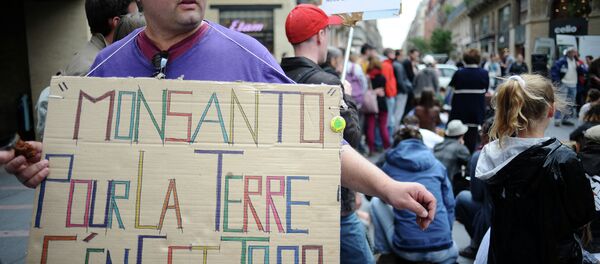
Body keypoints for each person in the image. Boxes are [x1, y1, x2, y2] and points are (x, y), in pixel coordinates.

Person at [3, 0, 437, 250]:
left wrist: (387, 188)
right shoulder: (104, 68)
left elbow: (318, 145)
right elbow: (84, 173)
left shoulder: (249, 57)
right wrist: (44, 169)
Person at [280, 5, 369, 263]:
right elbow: (349, 139)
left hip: (292, 194)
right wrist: (348, 98)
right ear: (321, 35)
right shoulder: (329, 83)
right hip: (332, 201)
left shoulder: (275, 76)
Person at [475, 74, 595, 263]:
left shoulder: (492, 153)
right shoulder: (563, 159)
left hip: (503, 254)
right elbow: (583, 215)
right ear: (551, 110)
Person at [35, 0, 138, 139]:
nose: (140, 24)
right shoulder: (97, 67)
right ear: (116, 22)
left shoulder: (90, 55)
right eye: (134, 17)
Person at [376, 127, 457, 264]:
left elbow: (376, 197)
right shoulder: (437, 165)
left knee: (376, 203)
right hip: (443, 250)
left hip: (407, 250)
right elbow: (450, 204)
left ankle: (384, 253)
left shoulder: (389, 165)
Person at [454, 117, 494, 259]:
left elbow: (476, 195)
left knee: (462, 197)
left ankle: (476, 244)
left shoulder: (480, 155)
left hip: (491, 216)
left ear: (486, 135)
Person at [449, 48, 489, 153]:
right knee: (473, 141)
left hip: (460, 113)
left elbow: (451, 90)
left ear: (465, 59)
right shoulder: (484, 73)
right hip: (476, 114)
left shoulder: (458, 73)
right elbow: (486, 90)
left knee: (459, 139)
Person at [551, 47, 586, 126]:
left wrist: (579, 66)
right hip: (564, 83)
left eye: (574, 52)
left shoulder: (577, 62)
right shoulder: (562, 61)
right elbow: (554, 71)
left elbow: (584, 72)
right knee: (561, 102)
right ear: (568, 53)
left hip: (573, 84)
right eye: (571, 52)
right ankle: (557, 119)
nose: (573, 54)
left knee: (570, 103)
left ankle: (566, 119)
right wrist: (558, 82)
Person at [366, 55, 391, 154]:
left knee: (370, 126)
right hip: (382, 103)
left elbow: (366, 90)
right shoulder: (382, 78)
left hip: (371, 103)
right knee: (383, 126)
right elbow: (383, 90)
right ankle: (387, 147)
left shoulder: (368, 77)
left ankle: (371, 149)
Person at [382, 48, 398, 141]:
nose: (395, 55)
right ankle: (388, 140)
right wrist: (389, 94)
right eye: (393, 53)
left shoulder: (388, 64)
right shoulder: (386, 65)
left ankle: (388, 140)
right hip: (389, 95)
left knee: (390, 119)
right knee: (389, 120)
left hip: (391, 94)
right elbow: (386, 81)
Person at [393, 49, 412, 122]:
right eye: (403, 55)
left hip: (398, 91)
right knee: (398, 114)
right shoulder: (398, 66)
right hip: (401, 92)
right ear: (399, 56)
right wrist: (406, 90)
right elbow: (400, 81)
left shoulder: (396, 64)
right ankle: (395, 132)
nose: (404, 57)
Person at [403, 49, 420, 118]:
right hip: (409, 88)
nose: (416, 56)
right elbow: (411, 76)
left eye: (417, 55)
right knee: (408, 105)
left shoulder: (413, 63)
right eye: (415, 55)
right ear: (411, 54)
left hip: (411, 87)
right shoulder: (408, 62)